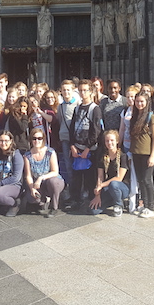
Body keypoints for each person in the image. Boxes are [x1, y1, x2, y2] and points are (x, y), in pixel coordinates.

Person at [68, 80, 102, 211]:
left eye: (85, 90)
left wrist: (88, 148)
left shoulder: (95, 109)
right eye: (80, 90)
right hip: (77, 147)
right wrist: (72, 145)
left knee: (89, 177)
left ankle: (90, 200)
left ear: (91, 92)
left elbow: (96, 131)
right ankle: (76, 199)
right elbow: (72, 127)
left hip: (90, 149)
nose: (82, 93)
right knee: (76, 176)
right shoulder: (77, 108)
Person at [129, 92, 154, 218]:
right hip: (136, 153)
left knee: (147, 180)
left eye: (142, 101)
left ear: (147, 102)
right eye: (137, 101)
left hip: (147, 154)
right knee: (141, 180)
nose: (139, 104)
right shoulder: (135, 116)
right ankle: (145, 204)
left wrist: (153, 155)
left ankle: (151, 207)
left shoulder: (151, 117)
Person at [22, 129, 64, 217]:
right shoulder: (27, 155)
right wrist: (32, 188)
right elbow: (28, 176)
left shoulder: (50, 152)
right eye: (34, 138)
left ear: (43, 139)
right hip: (37, 184)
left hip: (51, 180)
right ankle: (42, 201)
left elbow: (55, 172)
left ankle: (54, 207)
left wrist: (41, 178)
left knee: (53, 182)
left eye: (39, 138)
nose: (37, 141)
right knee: (32, 199)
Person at [88, 130, 129, 217]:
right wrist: (97, 195)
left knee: (114, 184)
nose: (109, 143)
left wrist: (101, 185)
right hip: (107, 187)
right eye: (107, 141)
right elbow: (100, 176)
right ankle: (112, 200)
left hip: (122, 187)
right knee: (93, 210)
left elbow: (119, 178)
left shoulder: (123, 156)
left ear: (117, 141)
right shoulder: (103, 156)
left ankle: (118, 205)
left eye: (112, 140)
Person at [118, 85, 140, 213]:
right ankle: (129, 198)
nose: (130, 99)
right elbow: (122, 129)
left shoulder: (140, 111)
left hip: (137, 147)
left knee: (137, 174)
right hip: (126, 146)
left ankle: (138, 199)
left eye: (132, 96)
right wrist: (118, 145)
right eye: (128, 97)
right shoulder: (125, 111)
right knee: (127, 174)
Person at [56, 80, 78, 185]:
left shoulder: (78, 104)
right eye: (64, 90)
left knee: (78, 163)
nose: (66, 92)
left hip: (77, 138)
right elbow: (60, 120)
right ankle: (71, 186)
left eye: (68, 90)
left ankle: (80, 187)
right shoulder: (60, 106)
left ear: (73, 90)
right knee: (68, 164)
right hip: (65, 137)